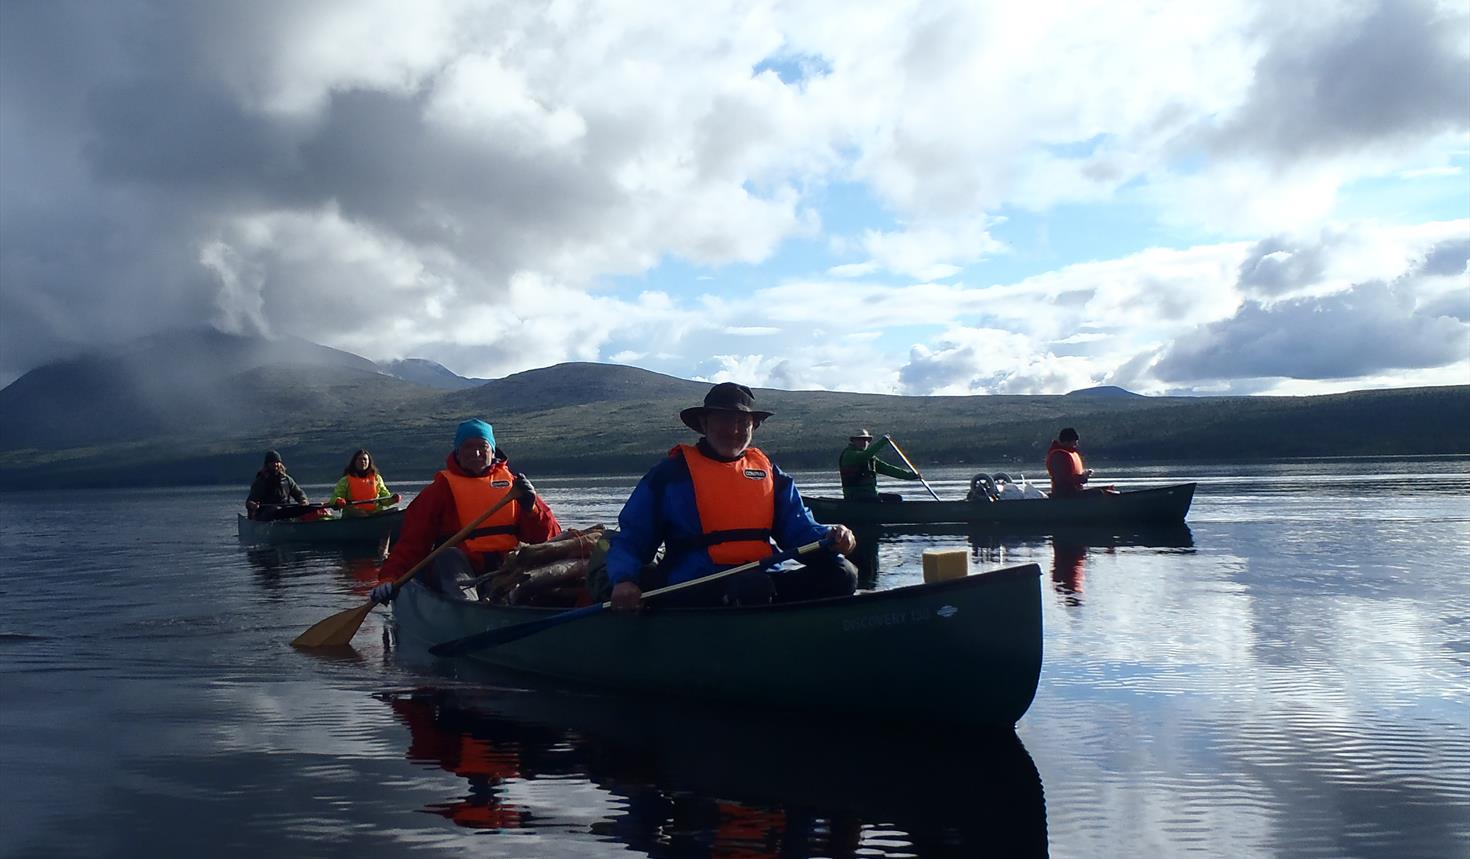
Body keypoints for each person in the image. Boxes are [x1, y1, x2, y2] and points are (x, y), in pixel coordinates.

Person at [606, 382, 859, 611]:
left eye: (742, 422)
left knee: (843, 573)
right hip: (693, 585)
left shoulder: (769, 472)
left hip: (762, 579)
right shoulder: (670, 475)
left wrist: (832, 538)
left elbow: (799, 529)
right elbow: (633, 536)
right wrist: (625, 579)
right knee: (751, 586)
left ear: (754, 426)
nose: (734, 430)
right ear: (704, 424)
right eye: (724, 420)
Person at [369, 419, 561, 604]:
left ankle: (516, 602)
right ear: (458, 453)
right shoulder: (440, 489)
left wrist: (532, 509)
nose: (476, 453)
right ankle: (471, 610)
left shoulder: (516, 486)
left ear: (492, 451)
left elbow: (550, 538)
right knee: (447, 556)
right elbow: (413, 541)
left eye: (482, 446)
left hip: (506, 566)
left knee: (534, 565)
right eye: (468, 447)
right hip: (460, 570)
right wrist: (389, 577)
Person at [838, 429, 920, 501]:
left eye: (866, 440)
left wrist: (910, 476)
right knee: (875, 500)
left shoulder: (870, 459)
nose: (864, 442)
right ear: (853, 441)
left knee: (896, 498)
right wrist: (883, 442)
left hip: (870, 494)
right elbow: (863, 456)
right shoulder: (849, 455)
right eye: (859, 439)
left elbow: (888, 469)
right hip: (854, 495)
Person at [326, 449, 401, 516]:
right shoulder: (345, 480)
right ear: (354, 462)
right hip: (353, 516)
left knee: (397, 510)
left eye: (365, 459)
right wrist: (338, 501)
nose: (362, 461)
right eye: (359, 459)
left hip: (375, 514)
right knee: (360, 514)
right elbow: (334, 499)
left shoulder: (377, 478)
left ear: (369, 462)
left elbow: (384, 499)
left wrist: (393, 499)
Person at [1045, 427, 1115, 498]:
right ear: (1066, 441)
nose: (1076, 444)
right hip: (1064, 495)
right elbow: (1063, 480)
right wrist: (1083, 477)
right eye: (1074, 442)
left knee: (1107, 489)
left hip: (1074, 492)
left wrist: (1083, 476)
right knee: (1098, 493)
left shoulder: (1068, 453)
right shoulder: (1058, 455)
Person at [245, 450, 313, 521]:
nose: (275, 464)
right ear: (267, 464)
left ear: (281, 464)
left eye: (277, 462)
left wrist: (303, 500)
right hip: (266, 514)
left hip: (285, 512)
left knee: (297, 511)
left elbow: (299, 493)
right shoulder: (261, 481)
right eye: (272, 462)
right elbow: (249, 501)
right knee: (274, 509)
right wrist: (253, 505)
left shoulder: (287, 479)